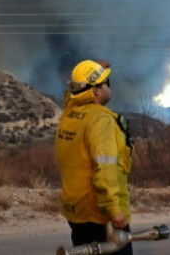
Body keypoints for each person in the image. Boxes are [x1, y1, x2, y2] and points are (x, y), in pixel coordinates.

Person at [54, 59, 134, 254]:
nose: (109, 85)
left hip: (77, 211)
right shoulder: (101, 120)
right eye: (107, 82)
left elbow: (72, 94)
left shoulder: (70, 114)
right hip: (101, 215)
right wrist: (114, 210)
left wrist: (94, 71)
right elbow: (104, 170)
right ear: (96, 91)